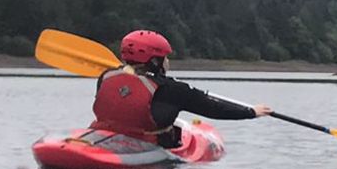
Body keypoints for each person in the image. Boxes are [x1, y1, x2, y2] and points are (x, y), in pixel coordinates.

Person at [92, 29, 272, 147]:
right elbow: (213, 108)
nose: (168, 61)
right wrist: (250, 112)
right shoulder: (172, 90)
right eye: (165, 57)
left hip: (101, 138)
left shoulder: (107, 77)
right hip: (144, 147)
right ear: (155, 61)